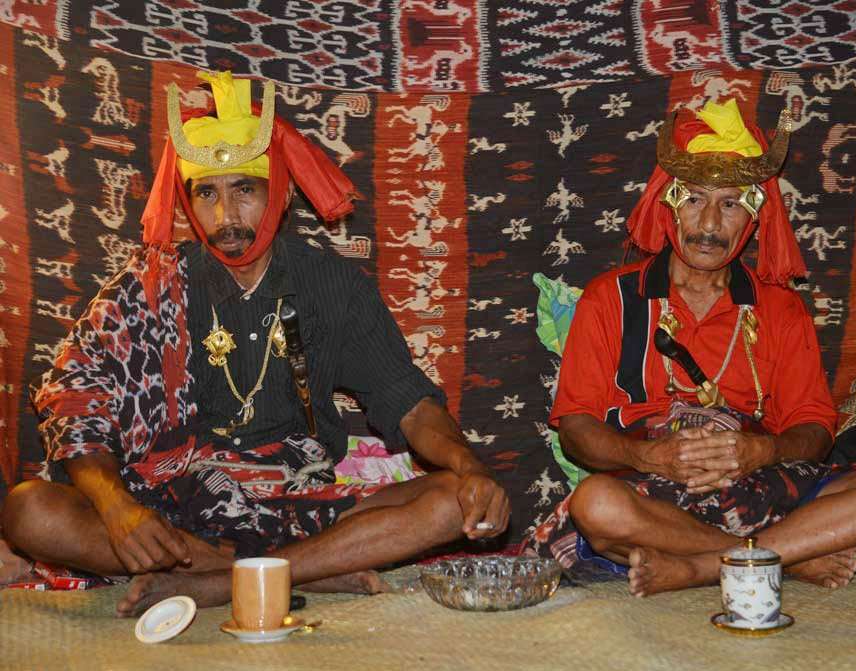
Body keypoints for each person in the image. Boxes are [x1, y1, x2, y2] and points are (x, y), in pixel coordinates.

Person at [1, 72, 510, 616]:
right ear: (187, 201)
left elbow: (408, 404)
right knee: (29, 509)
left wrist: (470, 465)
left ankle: (219, 583)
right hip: (175, 508)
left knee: (451, 500)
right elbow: (77, 400)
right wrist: (115, 505)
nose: (225, 218)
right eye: (207, 194)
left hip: (302, 499)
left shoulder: (334, 285)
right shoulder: (149, 287)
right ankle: (303, 572)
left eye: (244, 190)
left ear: (281, 192)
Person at [525, 99, 856, 596]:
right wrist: (652, 458)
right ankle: (788, 558)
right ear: (669, 204)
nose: (710, 224)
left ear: (754, 219)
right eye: (694, 199)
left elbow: (814, 427)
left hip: (762, 484)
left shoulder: (779, 308)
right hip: (656, 494)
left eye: (731, 203)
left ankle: (704, 566)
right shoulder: (610, 297)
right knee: (597, 506)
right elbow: (577, 429)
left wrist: (763, 450)